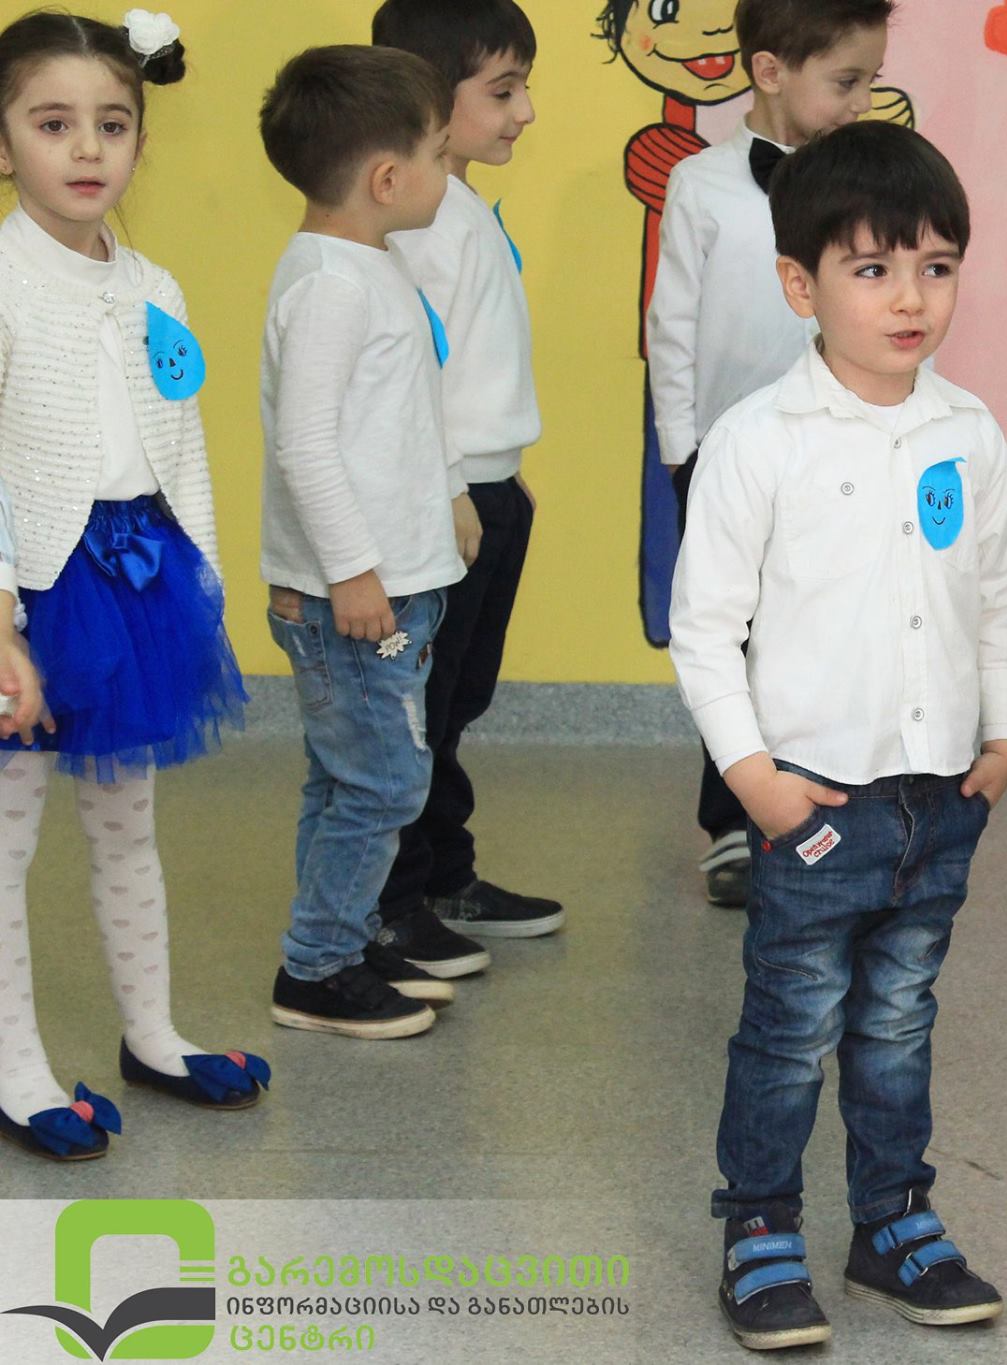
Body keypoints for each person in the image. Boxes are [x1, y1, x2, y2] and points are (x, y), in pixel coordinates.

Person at [670, 121, 1007, 1350]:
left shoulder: (968, 431)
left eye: (935, 267)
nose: (909, 297)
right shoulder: (756, 441)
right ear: (800, 284)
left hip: (938, 798)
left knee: (897, 1020)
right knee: (791, 1027)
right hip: (812, 802)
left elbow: (1003, 592)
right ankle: (759, 1225)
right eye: (872, 269)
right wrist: (753, 779)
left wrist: (1003, 732)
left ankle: (890, 1221)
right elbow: (703, 629)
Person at [0, 8, 266, 1162]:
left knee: (127, 826)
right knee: (7, 847)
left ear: (142, 141)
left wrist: (202, 590)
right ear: (4, 141)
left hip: (136, 579)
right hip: (30, 593)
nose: (86, 148)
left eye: (112, 124)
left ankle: (151, 1034)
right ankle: (13, 1069)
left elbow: (181, 446)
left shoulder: (155, 283)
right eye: (53, 123)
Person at [648, 0, 898, 909]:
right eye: (846, 82)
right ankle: (731, 817)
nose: (862, 101)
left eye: (870, 80)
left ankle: (841, 798)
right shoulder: (700, 184)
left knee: (827, 627)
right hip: (728, 452)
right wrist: (682, 450)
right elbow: (672, 322)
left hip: (842, 443)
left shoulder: (870, 183)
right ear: (768, 72)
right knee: (734, 636)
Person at [258, 44, 475, 1038]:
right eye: (438, 152)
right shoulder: (330, 288)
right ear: (387, 178)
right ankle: (316, 967)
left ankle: (337, 937)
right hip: (349, 596)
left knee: (345, 775)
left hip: (391, 583)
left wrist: (451, 490)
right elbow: (305, 444)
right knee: (385, 781)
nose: (446, 169)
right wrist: (351, 571)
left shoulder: (369, 265)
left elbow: (406, 407)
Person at [372, 0, 563, 971]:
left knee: (454, 703)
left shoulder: (460, 207)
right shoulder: (416, 223)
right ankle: (391, 901)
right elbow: (406, 380)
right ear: (426, 97)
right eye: (503, 90)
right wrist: (453, 487)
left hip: (488, 493)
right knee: (417, 710)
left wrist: (502, 483)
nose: (524, 111)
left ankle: (445, 872)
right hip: (442, 506)